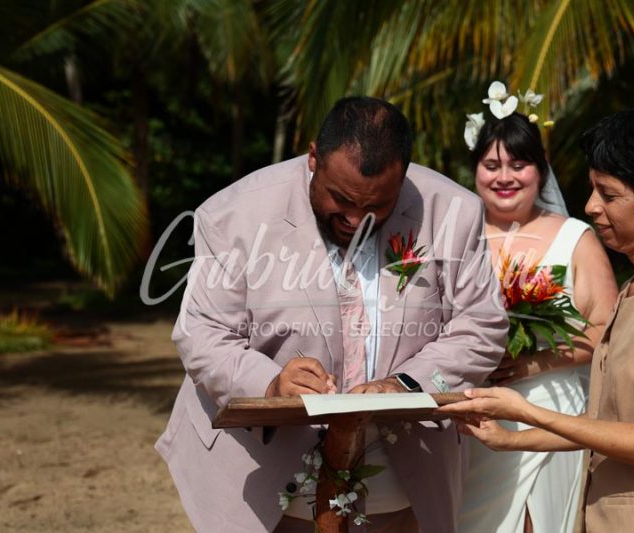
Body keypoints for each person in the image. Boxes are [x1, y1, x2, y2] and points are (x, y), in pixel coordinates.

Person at [155, 96, 508, 532]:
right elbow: (203, 333)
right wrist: (270, 383)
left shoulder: (453, 212)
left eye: (377, 206)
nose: (355, 219)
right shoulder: (232, 214)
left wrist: (407, 385)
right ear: (313, 158)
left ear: (403, 176)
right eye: (341, 199)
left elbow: (482, 324)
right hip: (265, 479)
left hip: (402, 479)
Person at [442, 108, 634, 532]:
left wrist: (529, 412)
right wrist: (512, 439)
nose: (591, 207)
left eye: (609, 195)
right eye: (592, 190)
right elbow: (608, 424)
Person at [457, 111, 618, 533]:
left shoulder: (576, 238)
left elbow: (608, 330)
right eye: (492, 166)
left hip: (549, 410)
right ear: (475, 170)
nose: (504, 177)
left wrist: (536, 362)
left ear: (540, 171)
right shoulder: (454, 237)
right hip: (472, 415)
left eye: (518, 164)